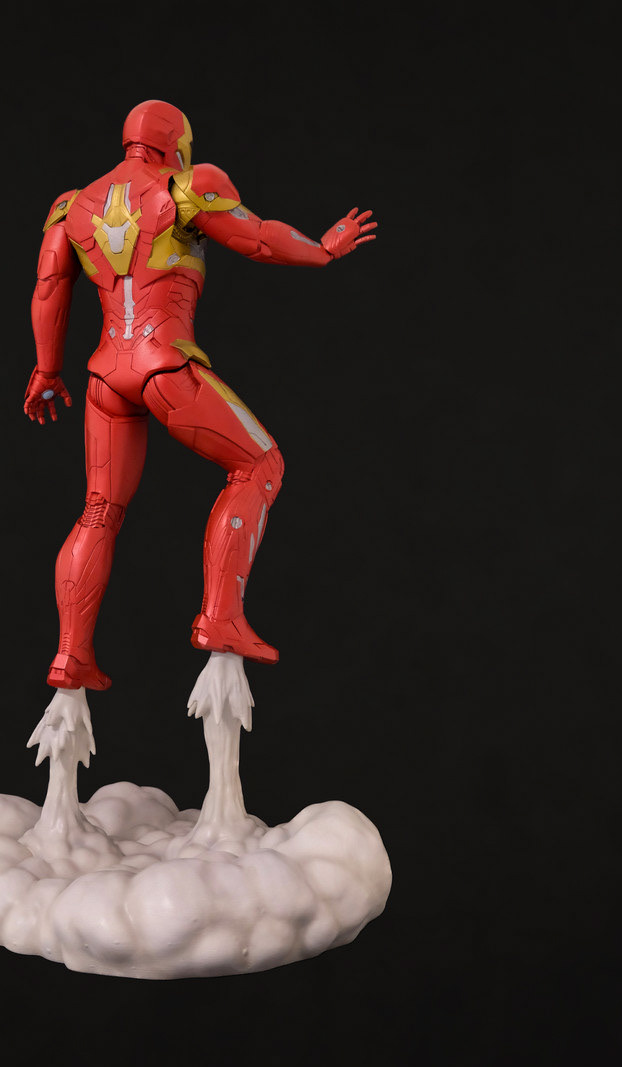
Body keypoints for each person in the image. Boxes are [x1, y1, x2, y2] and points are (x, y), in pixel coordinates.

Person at [24, 99, 377, 692]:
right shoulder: (187, 187)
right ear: (174, 144)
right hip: (165, 364)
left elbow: (48, 288)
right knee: (260, 464)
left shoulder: (71, 205)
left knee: (98, 511)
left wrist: (46, 369)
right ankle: (221, 617)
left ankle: (71, 655)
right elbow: (258, 239)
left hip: (106, 376)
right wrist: (322, 248)